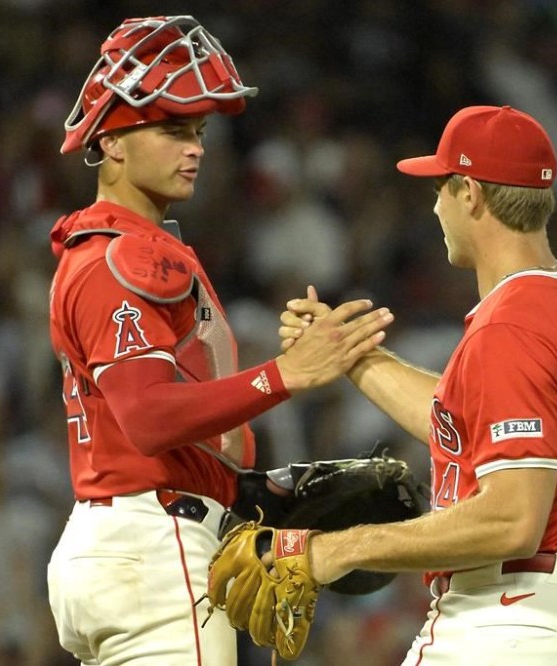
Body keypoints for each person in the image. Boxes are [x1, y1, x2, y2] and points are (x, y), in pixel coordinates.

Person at [45, 16, 392, 666]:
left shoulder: (113, 249)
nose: (195, 148)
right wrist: (284, 375)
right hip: (154, 547)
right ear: (113, 141)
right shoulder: (124, 261)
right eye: (173, 129)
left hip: (124, 540)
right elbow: (147, 418)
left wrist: (255, 492)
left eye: (199, 132)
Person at [278, 105, 557, 664]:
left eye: (440, 188)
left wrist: (340, 548)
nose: (435, 205)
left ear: (469, 193)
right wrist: (352, 357)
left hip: (510, 616)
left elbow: (513, 518)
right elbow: (470, 424)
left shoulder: (510, 323)